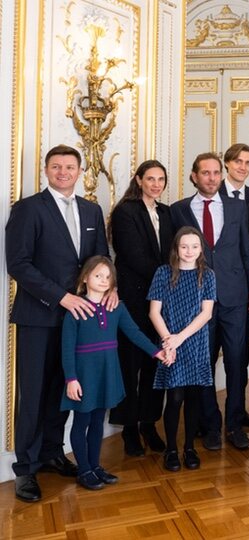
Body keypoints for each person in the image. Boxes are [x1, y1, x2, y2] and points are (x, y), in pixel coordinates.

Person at [6, 144, 111, 502]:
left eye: (69, 166)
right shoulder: (28, 209)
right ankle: (26, 469)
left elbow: (102, 260)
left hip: (82, 321)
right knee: (33, 394)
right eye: (56, 167)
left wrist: (112, 290)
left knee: (64, 390)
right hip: (39, 317)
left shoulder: (91, 209)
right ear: (46, 170)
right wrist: (61, 296)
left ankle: (53, 452)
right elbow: (18, 264)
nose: (63, 172)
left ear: (80, 171)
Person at [171, 153, 249, 452]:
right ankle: (210, 424)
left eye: (216, 173)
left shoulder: (238, 207)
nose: (211, 178)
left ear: (221, 176)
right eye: (205, 173)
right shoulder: (179, 210)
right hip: (198, 300)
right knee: (203, 364)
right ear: (194, 176)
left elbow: (247, 251)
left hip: (235, 296)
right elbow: (174, 258)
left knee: (236, 362)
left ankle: (235, 425)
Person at [61, 257, 167, 490]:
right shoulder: (75, 311)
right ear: (85, 278)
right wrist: (71, 379)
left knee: (98, 419)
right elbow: (67, 349)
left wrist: (156, 352)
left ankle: (95, 466)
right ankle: (84, 469)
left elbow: (135, 333)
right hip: (84, 375)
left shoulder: (116, 308)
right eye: (98, 275)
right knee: (82, 421)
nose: (103, 280)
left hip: (107, 373)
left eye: (108, 277)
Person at [109, 160, 174, 457]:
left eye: (161, 179)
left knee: (155, 363)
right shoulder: (126, 212)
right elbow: (132, 255)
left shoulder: (166, 212)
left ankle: (149, 422)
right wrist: (165, 280)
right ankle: (130, 428)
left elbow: (173, 253)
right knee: (130, 364)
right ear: (138, 180)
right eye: (150, 179)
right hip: (134, 300)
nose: (156, 184)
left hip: (161, 301)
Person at [148, 227, 216, 472]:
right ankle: (171, 450)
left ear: (201, 249)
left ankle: (189, 447)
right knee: (174, 397)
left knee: (193, 397)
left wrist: (180, 339)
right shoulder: (163, 273)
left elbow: (206, 313)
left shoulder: (207, 275)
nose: (189, 251)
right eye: (184, 246)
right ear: (176, 248)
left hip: (195, 342)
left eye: (194, 246)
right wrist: (169, 340)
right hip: (169, 343)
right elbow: (154, 311)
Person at [218, 143, 249, 432]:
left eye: (248, 162)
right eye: (238, 161)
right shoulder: (209, 195)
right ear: (227, 164)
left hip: (244, 290)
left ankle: (235, 415)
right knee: (206, 357)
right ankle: (205, 417)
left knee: (240, 355)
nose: (242, 167)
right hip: (210, 291)